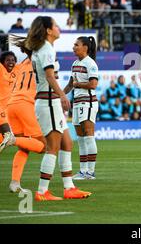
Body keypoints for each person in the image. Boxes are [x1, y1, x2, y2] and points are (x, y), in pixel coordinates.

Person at [15, 16, 92, 200]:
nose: (59, 28)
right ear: (49, 30)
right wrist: (63, 96)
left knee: (67, 143)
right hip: (48, 101)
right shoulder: (46, 49)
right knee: (53, 147)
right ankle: (42, 191)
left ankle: (69, 188)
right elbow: (50, 77)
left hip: (50, 101)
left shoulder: (42, 48)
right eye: (56, 25)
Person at [0, 32, 43, 172]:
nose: (11, 62)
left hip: (6, 108)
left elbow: (28, 59)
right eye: (8, 60)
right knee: (7, 136)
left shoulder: (17, 70)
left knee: (4, 137)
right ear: (3, 62)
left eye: (13, 59)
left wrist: (29, 45)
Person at [4, 42, 47, 192]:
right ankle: (12, 139)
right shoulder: (40, 61)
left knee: (23, 148)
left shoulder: (22, 64)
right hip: (25, 104)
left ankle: (14, 183)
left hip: (11, 105)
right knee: (44, 146)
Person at [62, 36, 99, 180]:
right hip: (77, 102)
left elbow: (93, 84)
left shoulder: (91, 64)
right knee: (81, 138)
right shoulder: (75, 63)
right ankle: (83, 171)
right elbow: (71, 84)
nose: (74, 47)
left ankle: (91, 171)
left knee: (89, 136)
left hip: (88, 102)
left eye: (76, 45)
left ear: (85, 47)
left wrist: (78, 85)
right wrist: (59, 95)